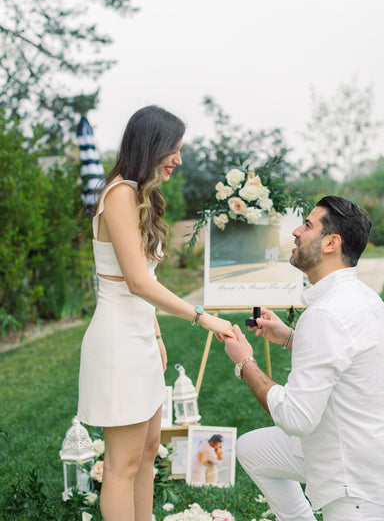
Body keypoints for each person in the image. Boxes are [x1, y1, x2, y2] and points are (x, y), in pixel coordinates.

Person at [77, 105, 235, 521]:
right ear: (152, 145)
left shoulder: (139, 194)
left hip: (141, 342)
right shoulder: (120, 194)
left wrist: (158, 336)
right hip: (117, 346)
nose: (178, 160)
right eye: (174, 150)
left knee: (148, 452)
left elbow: (141, 279)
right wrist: (203, 317)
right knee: (121, 466)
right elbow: (137, 282)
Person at [224, 196, 384, 521]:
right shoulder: (365, 299)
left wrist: (244, 363)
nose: (295, 231)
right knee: (253, 448)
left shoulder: (325, 314)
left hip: (358, 488)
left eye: (307, 225)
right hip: (373, 452)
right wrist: (291, 337)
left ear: (332, 242)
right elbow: (346, 362)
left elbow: (295, 418)